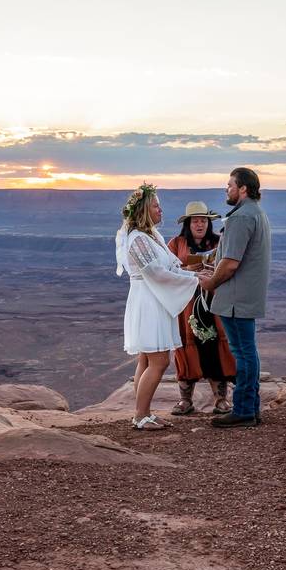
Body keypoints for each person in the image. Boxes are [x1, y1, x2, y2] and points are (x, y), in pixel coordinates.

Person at [115, 183, 198, 430]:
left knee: (146, 360)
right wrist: (193, 281)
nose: (160, 210)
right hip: (148, 302)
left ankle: (144, 413)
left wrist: (191, 271)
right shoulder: (137, 239)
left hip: (154, 300)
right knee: (159, 361)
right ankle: (140, 416)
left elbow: (170, 265)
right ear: (143, 210)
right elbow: (155, 272)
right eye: (155, 205)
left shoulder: (152, 236)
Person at [198, 167, 272, 428]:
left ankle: (243, 410)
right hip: (244, 295)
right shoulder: (256, 213)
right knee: (248, 352)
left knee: (243, 353)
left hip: (236, 297)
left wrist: (210, 282)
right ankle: (251, 408)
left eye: (230, 185)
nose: (226, 189)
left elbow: (230, 264)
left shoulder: (241, 218)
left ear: (243, 188)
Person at [166, 201, 237, 415]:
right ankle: (185, 400)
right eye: (196, 221)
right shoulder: (176, 243)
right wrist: (188, 269)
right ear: (188, 224)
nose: (200, 224)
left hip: (214, 303)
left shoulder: (219, 242)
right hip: (187, 306)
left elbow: (229, 266)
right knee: (186, 348)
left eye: (204, 221)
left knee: (215, 347)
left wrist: (211, 268)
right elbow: (167, 271)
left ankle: (220, 399)